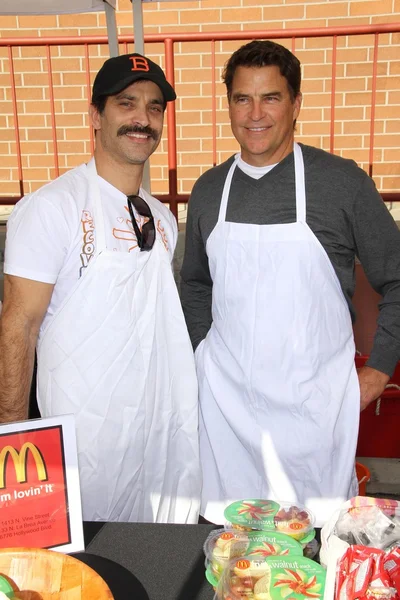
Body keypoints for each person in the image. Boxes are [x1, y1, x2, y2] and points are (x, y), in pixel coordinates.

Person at [180, 40, 400, 526]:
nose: (255, 113)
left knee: (312, 549)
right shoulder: (208, 190)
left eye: (271, 97)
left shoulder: (342, 184)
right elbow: (195, 284)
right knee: (232, 554)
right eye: (242, 98)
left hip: (313, 418)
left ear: (296, 103)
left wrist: (379, 369)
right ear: (230, 105)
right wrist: (203, 360)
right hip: (227, 416)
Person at [0, 53, 201, 524]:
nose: (142, 119)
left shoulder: (163, 218)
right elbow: (19, 323)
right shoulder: (53, 208)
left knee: (156, 564)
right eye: (126, 104)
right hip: (80, 442)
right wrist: (13, 437)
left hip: (154, 440)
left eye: (154, 108)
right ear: (96, 116)